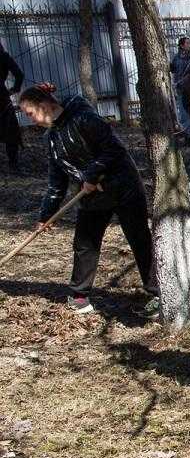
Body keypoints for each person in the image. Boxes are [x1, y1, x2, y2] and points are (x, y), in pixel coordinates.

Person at [19, 83, 158, 317]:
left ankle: (158, 293)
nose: (31, 120)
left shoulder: (83, 117)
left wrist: (91, 174)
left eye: (30, 113)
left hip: (123, 186)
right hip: (92, 194)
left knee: (139, 239)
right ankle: (79, 295)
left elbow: (113, 149)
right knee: (85, 243)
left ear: (43, 106)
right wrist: (46, 215)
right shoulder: (52, 138)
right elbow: (57, 181)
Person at [0, 41, 24, 173]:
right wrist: (15, 89)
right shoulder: (3, 56)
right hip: (1, 98)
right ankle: (13, 164)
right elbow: (19, 74)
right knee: (10, 130)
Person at [169, 37, 190, 142]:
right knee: (183, 114)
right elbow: (174, 69)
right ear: (181, 45)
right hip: (181, 90)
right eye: (187, 43)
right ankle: (188, 136)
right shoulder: (177, 57)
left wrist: (180, 83)